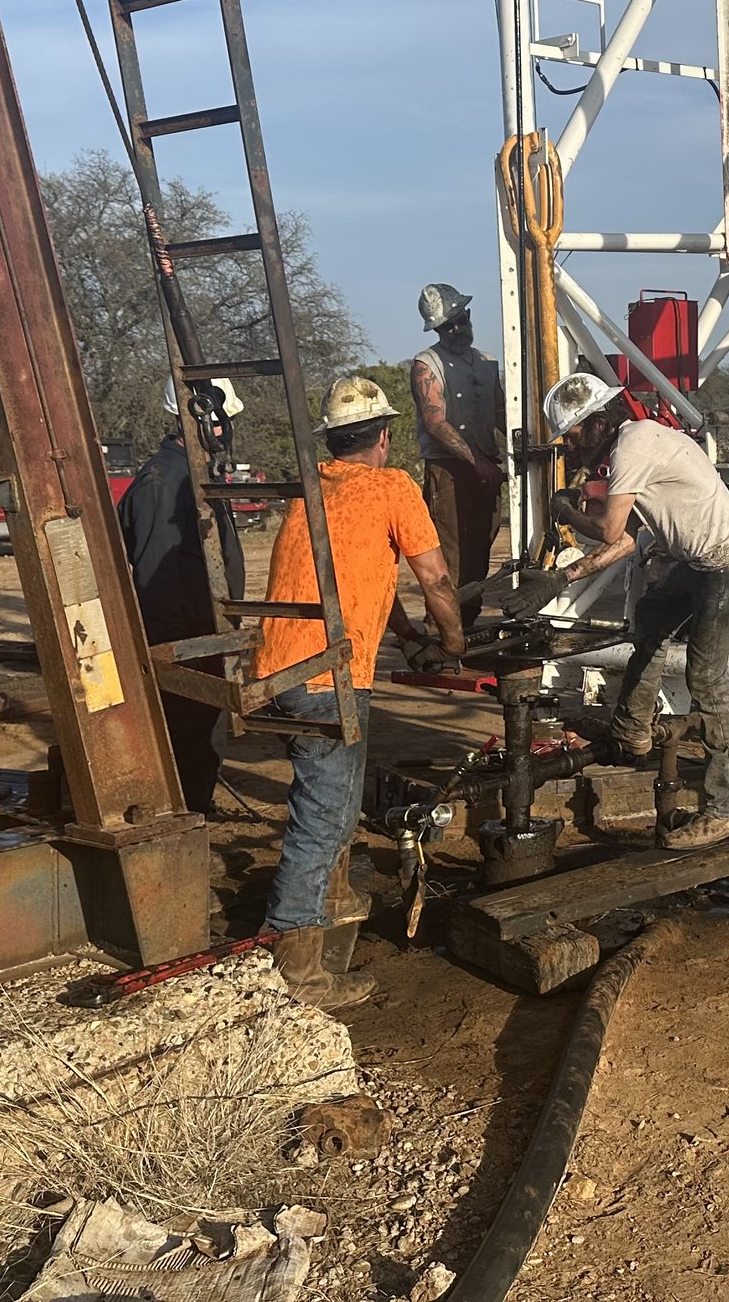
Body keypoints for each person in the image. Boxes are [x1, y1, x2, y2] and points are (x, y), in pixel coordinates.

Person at [257, 374, 465, 1007]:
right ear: (384, 436)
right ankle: (297, 969)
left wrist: (401, 633)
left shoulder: (312, 488)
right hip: (329, 676)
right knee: (322, 819)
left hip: (281, 668)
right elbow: (434, 578)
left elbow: (356, 574)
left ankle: (332, 897)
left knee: (332, 801)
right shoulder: (392, 485)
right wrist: (453, 643)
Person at [544, 371, 729, 852]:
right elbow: (623, 541)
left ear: (599, 423)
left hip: (726, 563)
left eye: (575, 434)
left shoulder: (630, 449)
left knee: (706, 679)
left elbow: (606, 531)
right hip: (701, 560)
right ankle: (633, 731)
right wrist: (565, 576)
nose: (573, 446)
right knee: (652, 616)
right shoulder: (637, 444)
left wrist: (567, 513)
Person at [116, 376, 245, 816]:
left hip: (203, 637)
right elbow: (158, 579)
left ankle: (192, 814)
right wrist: (179, 656)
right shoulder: (163, 483)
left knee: (203, 737)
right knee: (186, 739)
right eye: (225, 419)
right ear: (203, 417)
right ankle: (182, 822)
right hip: (184, 642)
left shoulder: (192, 474)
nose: (229, 430)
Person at [410, 283, 505, 614]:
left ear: (467, 316)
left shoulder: (487, 362)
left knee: (479, 552)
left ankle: (466, 627)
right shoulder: (427, 364)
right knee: (450, 558)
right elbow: (435, 423)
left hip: (487, 468)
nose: (456, 331)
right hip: (449, 470)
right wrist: (476, 462)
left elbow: (503, 413)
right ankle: (444, 636)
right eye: (446, 327)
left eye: (459, 322)